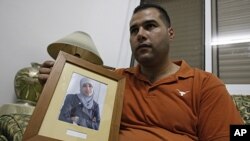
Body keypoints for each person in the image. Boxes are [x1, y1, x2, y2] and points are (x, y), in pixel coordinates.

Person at [38, 3, 244, 141]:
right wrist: (57, 87)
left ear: (170, 33)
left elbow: (239, 135)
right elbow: (77, 121)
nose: (141, 35)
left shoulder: (205, 83)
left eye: (150, 26)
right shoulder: (113, 80)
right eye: (134, 30)